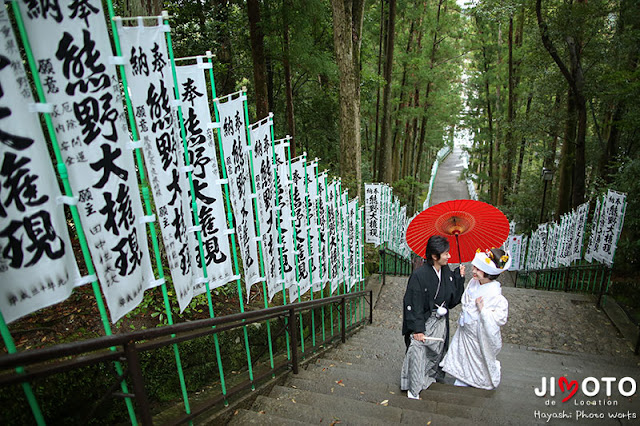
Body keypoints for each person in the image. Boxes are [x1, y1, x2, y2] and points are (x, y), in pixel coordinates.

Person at [400, 235, 465, 399]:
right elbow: (413, 303)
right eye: (445, 254)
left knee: (436, 352)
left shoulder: (446, 271)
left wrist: (459, 278)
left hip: (440, 322)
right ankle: (413, 387)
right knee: (418, 351)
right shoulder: (419, 275)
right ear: (435, 256)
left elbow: (452, 300)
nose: (449, 256)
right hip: (425, 321)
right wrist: (417, 329)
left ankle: (429, 377)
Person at [440, 248, 511, 390]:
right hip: (466, 330)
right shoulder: (474, 282)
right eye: (474, 267)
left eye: (478, 269)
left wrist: (483, 310)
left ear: (489, 273)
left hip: (478, 336)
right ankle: (462, 379)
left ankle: (479, 382)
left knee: (478, 362)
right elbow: (464, 300)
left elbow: (500, 319)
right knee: (463, 359)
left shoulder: (496, 297)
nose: (473, 271)